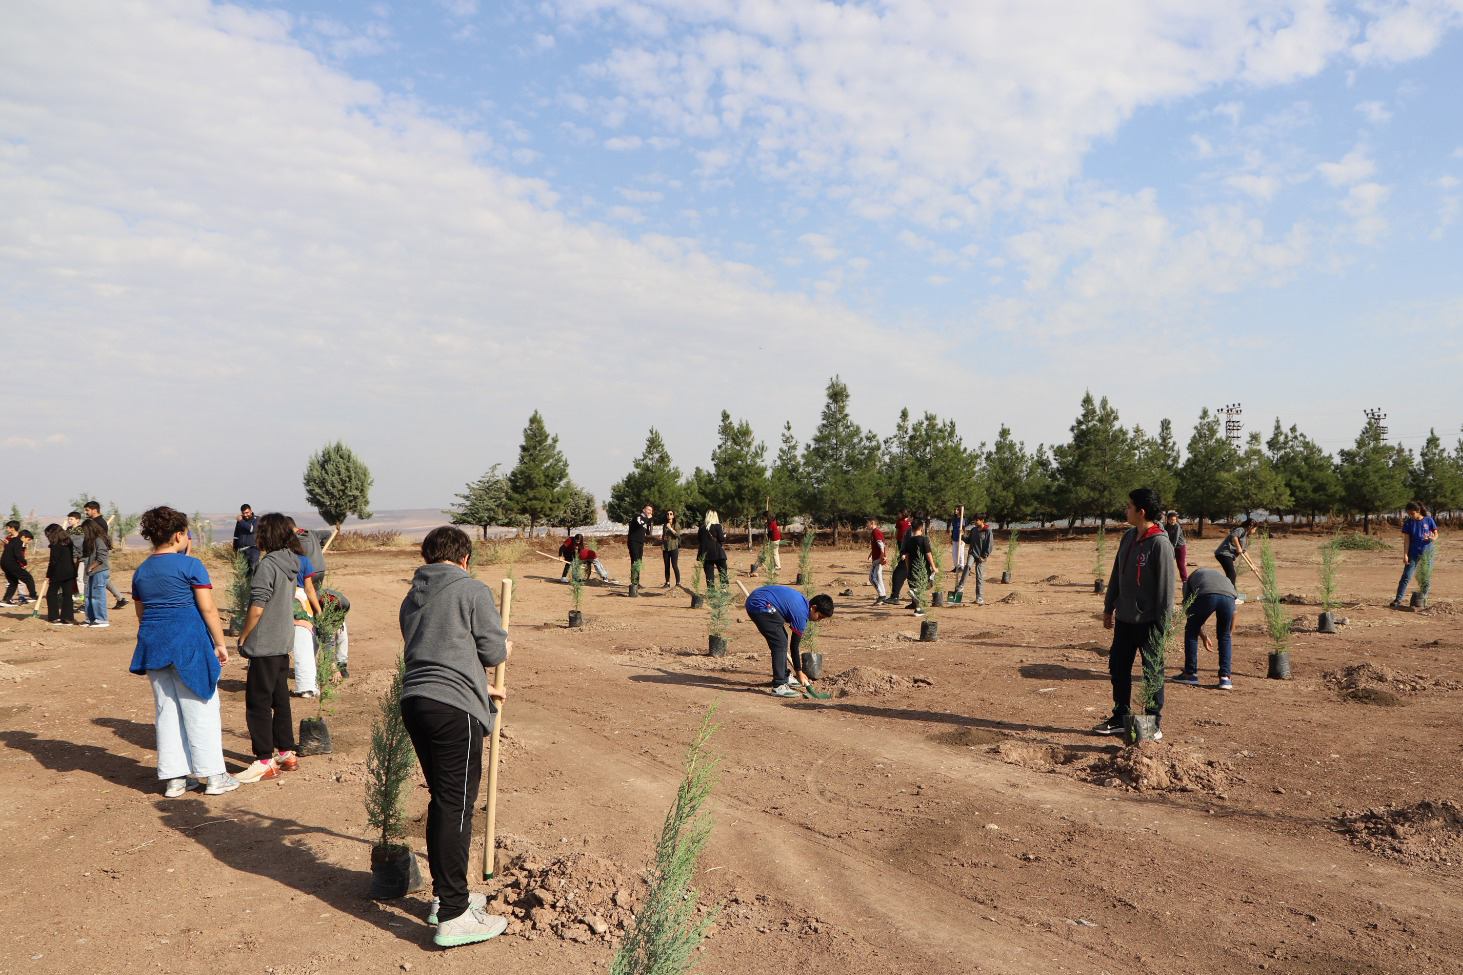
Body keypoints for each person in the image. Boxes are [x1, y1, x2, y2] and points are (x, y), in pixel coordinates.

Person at [399, 525, 511, 949]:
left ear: (428, 557)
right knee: (456, 805)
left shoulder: (412, 598)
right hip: (452, 710)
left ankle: (450, 896)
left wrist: (482, 689)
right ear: (465, 558)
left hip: (416, 701)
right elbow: (492, 651)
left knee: (444, 801)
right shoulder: (473, 590)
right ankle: (453, 914)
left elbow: (437, 652)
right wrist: (505, 649)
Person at [127, 505, 240, 797]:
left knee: (167, 710)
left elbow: (142, 614)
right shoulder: (190, 566)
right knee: (200, 705)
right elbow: (208, 608)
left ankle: (175, 779)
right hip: (189, 643)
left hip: (154, 644)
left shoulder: (141, 571)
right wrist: (219, 643)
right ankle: (215, 776)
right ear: (179, 535)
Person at [1093, 488, 1176, 737]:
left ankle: (1152, 723)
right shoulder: (1128, 537)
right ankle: (1120, 716)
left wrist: (1163, 626)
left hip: (1149, 622)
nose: (1125, 510)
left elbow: (1165, 589)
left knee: (1152, 672)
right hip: (1124, 620)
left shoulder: (1160, 544)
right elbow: (1116, 574)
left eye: (1128, 507)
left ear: (1141, 512)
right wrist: (1109, 607)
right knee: (1118, 667)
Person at [234, 513, 302, 782]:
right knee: (280, 699)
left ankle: (264, 760)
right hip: (283, 642)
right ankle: (286, 753)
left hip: (264, 644)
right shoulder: (291, 561)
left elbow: (258, 606)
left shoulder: (267, 565)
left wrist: (243, 636)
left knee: (258, 704)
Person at [744, 584, 834, 697]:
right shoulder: (801, 614)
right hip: (759, 604)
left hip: (762, 599)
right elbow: (794, 646)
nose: (819, 620)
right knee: (780, 643)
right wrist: (799, 672)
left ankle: (784, 675)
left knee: (782, 637)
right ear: (813, 608)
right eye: (819, 616)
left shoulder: (803, 604)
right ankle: (779, 685)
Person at [1173, 567, 1236, 690]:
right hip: (1229, 597)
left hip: (1207, 596)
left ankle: (1190, 674)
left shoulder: (1190, 580)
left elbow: (1189, 611)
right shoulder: (1223, 579)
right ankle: (1225, 678)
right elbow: (1235, 613)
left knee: (1190, 631)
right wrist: (1228, 635)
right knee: (1224, 636)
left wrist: (1200, 634)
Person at [1392, 501, 1440, 608]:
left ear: (1418, 511)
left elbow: (1436, 534)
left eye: (1412, 513)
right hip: (1412, 553)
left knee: (1425, 577)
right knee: (1406, 576)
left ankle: (1423, 599)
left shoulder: (1429, 520)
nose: (1410, 516)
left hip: (1427, 554)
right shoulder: (1408, 523)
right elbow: (1406, 541)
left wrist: (1432, 538)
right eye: (1408, 514)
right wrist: (1405, 555)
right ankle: (1398, 599)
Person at [82, 502, 127, 609]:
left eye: (87, 510)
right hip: (94, 554)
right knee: (102, 578)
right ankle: (120, 598)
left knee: (88, 579)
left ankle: (87, 604)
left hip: (97, 555)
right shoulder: (95, 522)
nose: (85, 512)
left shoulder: (99, 523)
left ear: (94, 510)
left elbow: (99, 541)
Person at [891, 519, 936, 614]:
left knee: (917, 586)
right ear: (921, 529)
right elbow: (928, 554)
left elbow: (906, 555)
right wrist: (933, 566)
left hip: (912, 567)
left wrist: (907, 568)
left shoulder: (909, 541)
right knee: (923, 586)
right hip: (922, 568)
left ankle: (915, 599)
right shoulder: (924, 539)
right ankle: (918, 609)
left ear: (911, 529)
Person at [42, 524, 77, 625]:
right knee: (67, 594)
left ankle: (54, 617)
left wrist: (48, 575)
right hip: (70, 571)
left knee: (51, 594)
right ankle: (67, 617)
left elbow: (53, 561)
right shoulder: (68, 542)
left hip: (58, 572)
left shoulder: (55, 544)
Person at [954, 513, 993, 605]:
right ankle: (961, 585)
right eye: (974, 520)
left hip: (981, 557)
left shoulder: (988, 531)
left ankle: (979, 597)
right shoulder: (974, 530)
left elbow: (989, 546)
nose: (975, 522)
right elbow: (968, 541)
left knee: (979, 576)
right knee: (967, 566)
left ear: (982, 520)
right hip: (973, 553)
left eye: (977, 520)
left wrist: (984, 556)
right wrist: (962, 535)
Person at [81, 518, 111, 627]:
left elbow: (102, 557)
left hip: (99, 571)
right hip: (93, 572)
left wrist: (91, 567)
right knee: (89, 596)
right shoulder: (92, 540)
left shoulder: (99, 540)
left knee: (98, 596)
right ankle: (90, 618)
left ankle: (102, 619)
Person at [1214, 518, 1259, 588]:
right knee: (1231, 574)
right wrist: (1238, 547)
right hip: (1224, 553)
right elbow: (1234, 536)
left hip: (1227, 555)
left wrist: (1252, 564)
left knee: (1231, 575)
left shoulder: (1244, 535)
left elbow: (1244, 551)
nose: (1254, 532)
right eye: (1255, 529)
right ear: (1251, 527)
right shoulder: (1241, 529)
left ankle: (1232, 594)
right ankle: (1232, 595)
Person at [2, 522, 38, 605]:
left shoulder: (12, 540)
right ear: (23, 537)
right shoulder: (18, 541)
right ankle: (33, 596)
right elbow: (17, 554)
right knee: (29, 578)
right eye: (28, 540)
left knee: (13, 582)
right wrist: (24, 562)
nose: (28, 542)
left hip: (4, 564)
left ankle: (6, 599)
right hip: (11, 564)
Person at [749, 506, 783, 574]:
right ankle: (771, 565)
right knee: (771, 553)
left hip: (774, 539)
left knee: (774, 552)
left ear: (766, 517)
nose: (763, 518)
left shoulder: (771, 523)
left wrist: (767, 540)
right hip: (775, 538)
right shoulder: (771, 520)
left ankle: (777, 567)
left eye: (764, 517)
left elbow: (770, 532)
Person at [698, 510, 727, 587]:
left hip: (706, 553)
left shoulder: (702, 527)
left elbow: (699, 540)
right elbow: (721, 539)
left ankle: (711, 591)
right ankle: (724, 589)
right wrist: (724, 537)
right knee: (722, 571)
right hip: (717, 552)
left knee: (709, 573)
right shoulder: (718, 526)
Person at [627, 504, 653, 587]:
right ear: (643, 510)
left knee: (638, 562)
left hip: (640, 543)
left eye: (651, 511)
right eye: (648, 510)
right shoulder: (638, 516)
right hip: (634, 541)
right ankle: (634, 581)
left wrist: (649, 522)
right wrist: (647, 519)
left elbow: (648, 532)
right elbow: (639, 524)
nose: (650, 512)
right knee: (634, 561)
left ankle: (637, 581)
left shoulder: (646, 520)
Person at [866, 517, 887, 604]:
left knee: (871, 578)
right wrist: (871, 553)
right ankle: (883, 597)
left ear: (872, 523)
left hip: (878, 559)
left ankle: (881, 595)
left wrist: (881, 557)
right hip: (878, 557)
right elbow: (877, 545)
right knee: (878, 577)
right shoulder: (873, 533)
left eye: (867, 523)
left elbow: (881, 545)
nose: (866, 525)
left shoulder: (876, 532)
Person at [233, 504, 260, 573]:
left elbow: (252, 529)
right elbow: (236, 535)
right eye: (243, 513)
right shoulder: (240, 521)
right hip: (242, 551)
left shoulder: (257, 519)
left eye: (247, 512)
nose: (245, 515)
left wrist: (241, 521)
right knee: (243, 571)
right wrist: (235, 549)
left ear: (251, 511)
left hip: (253, 550)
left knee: (253, 570)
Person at [1164, 511, 1188, 583]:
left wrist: (1172, 548)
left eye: (1174, 520)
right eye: (1171, 520)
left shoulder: (1177, 526)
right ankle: (1169, 579)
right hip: (1171, 547)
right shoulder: (1165, 527)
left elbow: (1176, 538)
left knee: (1180, 564)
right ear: (1168, 520)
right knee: (1168, 563)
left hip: (1180, 546)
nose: (1173, 521)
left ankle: (1184, 580)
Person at [661, 509, 681, 587]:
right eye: (667, 514)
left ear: (673, 515)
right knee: (666, 565)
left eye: (671, 514)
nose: (669, 515)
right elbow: (664, 535)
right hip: (666, 547)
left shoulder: (676, 524)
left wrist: (670, 528)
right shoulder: (665, 525)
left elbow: (678, 535)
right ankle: (667, 582)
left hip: (673, 547)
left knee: (674, 565)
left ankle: (678, 582)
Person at [949, 505, 965, 574]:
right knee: (954, 553)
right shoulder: (954, 520)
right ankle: (956, 567)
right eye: (955, 509)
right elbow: (953, 529)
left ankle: (962, 567)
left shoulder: (962, 519)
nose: (956, 511)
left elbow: (963, 529)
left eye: (957, 510)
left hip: (960, 539)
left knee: (961, 553)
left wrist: (962, 538)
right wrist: (951, 538)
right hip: (954, 538)